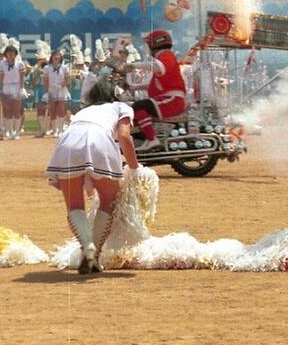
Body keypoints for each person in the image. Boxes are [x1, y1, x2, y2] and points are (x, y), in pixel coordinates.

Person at [46, 78, 140, 274]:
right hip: (99, 139)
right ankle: (95, 252)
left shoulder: (83, 111)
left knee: (74, 206)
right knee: (108, 201)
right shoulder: (121, 106)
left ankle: (87, 246)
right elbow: (124, 136)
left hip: (68, 141)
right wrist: (135, 169)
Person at [130, 29, 186, 152]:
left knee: (138, 106)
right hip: (169, 99)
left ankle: (151, 139)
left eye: (149, 44)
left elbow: (157, 67)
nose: (148, 48)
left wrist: (134, 66)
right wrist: (133, 87)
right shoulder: (165, 58)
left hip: (172, 100)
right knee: (137, 108)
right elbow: (152, 85)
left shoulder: (166, 56)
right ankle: (143, 137)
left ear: (155, 44)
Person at [0, 44, 25, 140]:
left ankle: (16, 132)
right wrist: (1, 89)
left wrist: (22, 88)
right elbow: (1, 78)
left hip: (16, 87)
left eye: (12, 53)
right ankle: (8, 132)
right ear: (5, 54)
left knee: (16, 110)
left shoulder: (20, 64)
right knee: (7, 110)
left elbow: (22, 77)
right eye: (8, 53)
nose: (10, 55)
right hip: (6, 87)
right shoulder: (2, 64)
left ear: (15, 54)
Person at [43, 50, 71, 137]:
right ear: (52, 57)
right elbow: (45, 80)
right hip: (51, 90)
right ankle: (54, 130)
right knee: (53, 110)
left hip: (61, 90)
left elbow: (68, 79)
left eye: (58, 55)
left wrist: (61, 85)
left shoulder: (65, 67)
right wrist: (47, 92)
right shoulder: (47, 68)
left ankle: (61, 129)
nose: (56, 57)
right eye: (55, 55)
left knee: (61, 110)